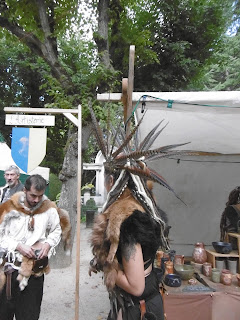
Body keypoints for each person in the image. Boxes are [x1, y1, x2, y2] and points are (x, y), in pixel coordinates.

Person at [88, 105, 185, 320]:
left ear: (112, 182)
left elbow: (136, 285)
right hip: (145, 304)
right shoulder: (146, 208)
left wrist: (106, 265)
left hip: (138, 310)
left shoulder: (128, 223)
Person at [0, 174, 62, 320]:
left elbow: (56, 230)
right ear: (25, 190)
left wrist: (48, 244)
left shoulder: (49, 209)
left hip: (34, 274)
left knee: (29, 316)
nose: (36, 200)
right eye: (33, 195)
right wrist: (17, 245)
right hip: (9, 272)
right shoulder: (9, 208)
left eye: (40, 196)